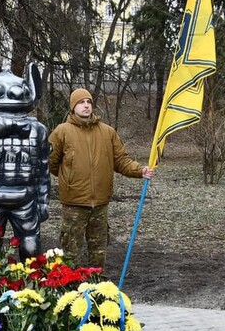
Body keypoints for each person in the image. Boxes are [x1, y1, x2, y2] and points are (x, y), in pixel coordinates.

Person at [48, 88, 155, 269]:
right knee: (70, 251)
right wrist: (69, 179)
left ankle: (97, 287)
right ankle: (68, 288)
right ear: (73, 107)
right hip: (74, 203)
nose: (86, 105)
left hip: (100, 203)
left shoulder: (107, 132)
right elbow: (51, 163)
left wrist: (139, 170)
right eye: (81, 102)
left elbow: (121, 160)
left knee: (98, 251)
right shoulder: (61, 132)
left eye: (89, 102)